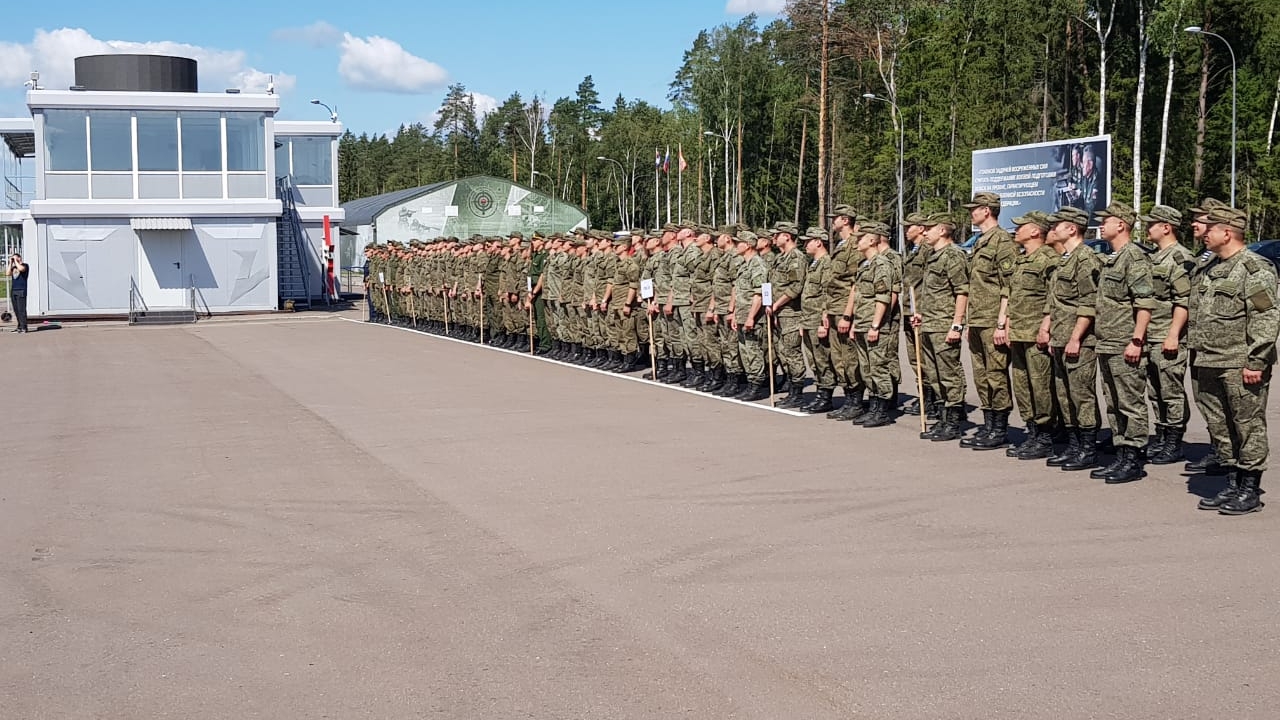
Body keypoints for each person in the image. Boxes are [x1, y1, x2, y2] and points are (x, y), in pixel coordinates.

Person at [1190, 207, 1280, 515]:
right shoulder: (1211, 266)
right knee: (1220, 426)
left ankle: (1249, 490)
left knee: (1247, 426)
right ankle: (1232, 483)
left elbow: (1266, 318)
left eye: (1210, 228)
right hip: (1209, 360)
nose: (1204, 232)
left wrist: (1256, 361)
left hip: (1239, 362)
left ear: (1226, 232)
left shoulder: (1254, 268)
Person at [1090, 202, 1156, 484]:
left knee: (1130, 402)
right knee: (1114, 402)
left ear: (1122, 225)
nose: (1102, 225)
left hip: (1124, 343)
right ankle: (1121, 452)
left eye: (1107, 220)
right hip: (1107, 342)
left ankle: (1134, 456)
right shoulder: (1113, 258)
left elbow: (1144, 303)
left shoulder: (1134, 258)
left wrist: (1136, 340)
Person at [1042, 207, 1103, 472]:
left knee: (1081, 395)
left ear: (1072, 228)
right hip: (1060, 337)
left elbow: (1089, 303)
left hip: (1078, 340)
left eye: (1058, 225)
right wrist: (1047, 327)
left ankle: (1088, 448)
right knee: (1064, 395)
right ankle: (1075, 444)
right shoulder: (1065, 259)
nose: (1052, 229)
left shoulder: (1085, 258)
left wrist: (1076, 337)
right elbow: (1056, 302)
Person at [961, 192, 1017, 449]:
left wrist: (1002, 323)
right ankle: (989, 424)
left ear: (987, 210)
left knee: (996, 374)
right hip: (978, 319)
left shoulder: (1002, 241)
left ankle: (1000, 428)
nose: (971, 212)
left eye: (975, 208)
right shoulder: (980, 241)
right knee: (981, 376)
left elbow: (1009, 285)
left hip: (993, 318)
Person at [1002, 211, 1059, 460]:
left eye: (1021, 226)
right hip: (1018, 332)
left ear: (1035, 231)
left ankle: (1046, 436)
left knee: (1041, 386)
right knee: (1022, 386)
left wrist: (1045, 328)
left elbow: (1053, 297)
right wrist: (1005, 324)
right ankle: (1032, 431)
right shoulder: (1022, 259)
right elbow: (1014, 297)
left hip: (1036, 333)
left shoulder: (1049, 259)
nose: (1016, 230)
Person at [1141, 205, 1195, 464]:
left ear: (1166, 227)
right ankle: (1162, 436)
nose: (1147, 228)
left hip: (1167, 334)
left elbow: (1183, 301)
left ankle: (1174, 441)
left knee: (1170, 390)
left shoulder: (1180, 258)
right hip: (1150, 334)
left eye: (1152, 224)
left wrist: (1174, 335)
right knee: (1154, 390)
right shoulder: (1153, 257)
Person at [912, 213, 970, 441]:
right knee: (934, 375)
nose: (925, 232)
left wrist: (957, 324)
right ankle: (944, 418)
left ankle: (954, 422)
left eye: (929, 228)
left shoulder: (953, 255)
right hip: (929, 324)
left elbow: (962, 291)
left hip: (944, 324)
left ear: (943, 231)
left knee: (949, 374)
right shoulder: (934, 256)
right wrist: (921, 314)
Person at [9, 253, 28, 333]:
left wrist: (16, 261)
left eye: (16, 258)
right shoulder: (13, 267)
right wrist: (11, 263)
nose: (14, 260)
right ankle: (19, 326)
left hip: (21, 290)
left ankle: (24, 327)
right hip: (14, 290)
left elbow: (21, 269)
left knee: (21, 310)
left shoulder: (25, 265)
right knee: (16, 310)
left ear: (20, 258)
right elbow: (7, 273)